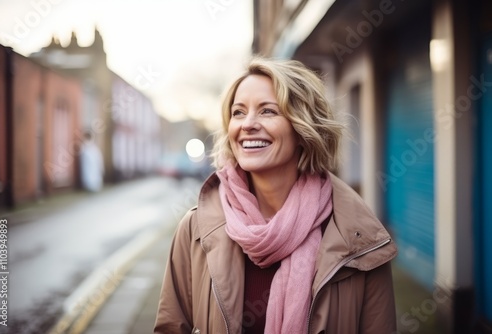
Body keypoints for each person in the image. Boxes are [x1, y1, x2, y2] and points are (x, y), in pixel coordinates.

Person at [154, 58, 398, 333]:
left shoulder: (359, 236)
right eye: (238, 112)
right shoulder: (196, 228)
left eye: (268, 111)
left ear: (303, 126)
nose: (248, 124)